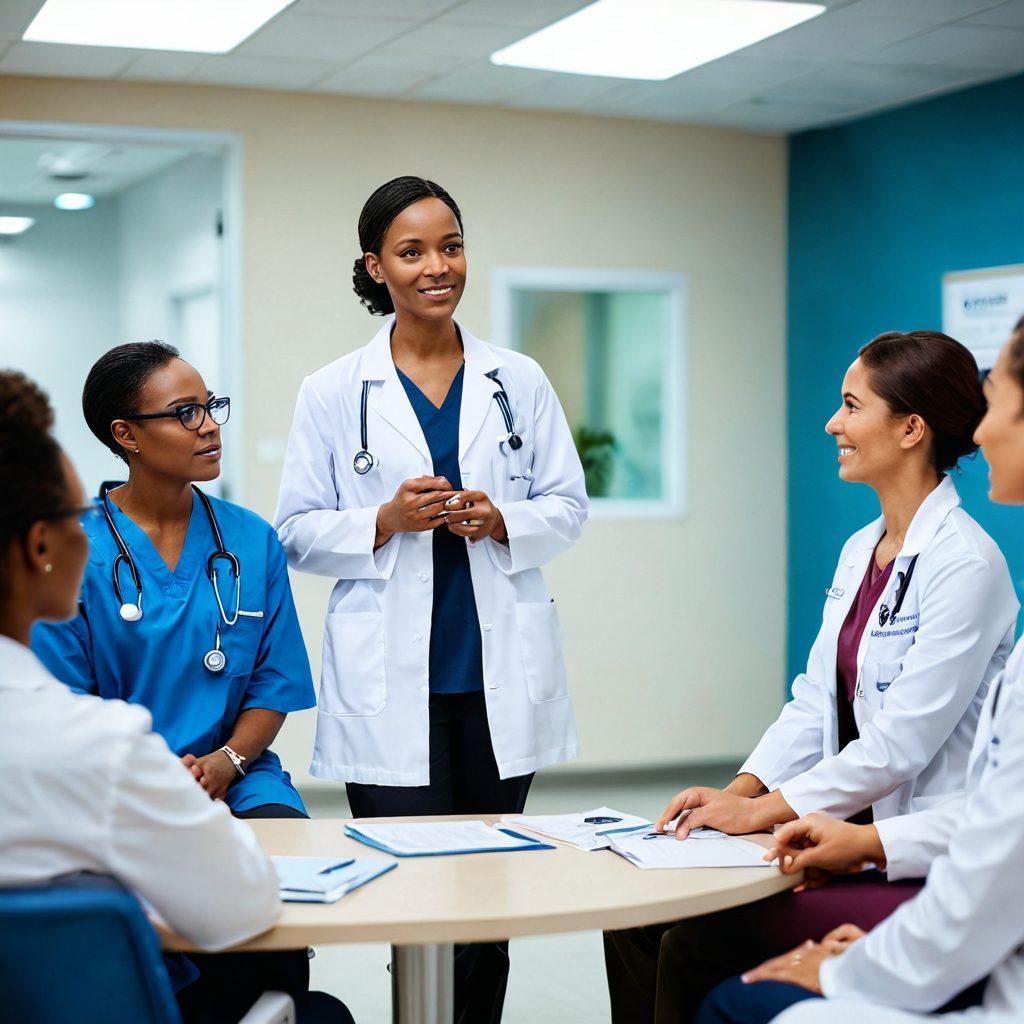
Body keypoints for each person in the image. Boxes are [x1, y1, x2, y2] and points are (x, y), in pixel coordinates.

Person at [605, 331, 1019, 1023]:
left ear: (911, 428)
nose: (833, 423)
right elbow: (812, 702)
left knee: (688, 945)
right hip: (845, 832)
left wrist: (765, 813)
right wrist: (738, 794)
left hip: (912, 856)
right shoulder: (864, 549)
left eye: (851, 406)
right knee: (633, 917)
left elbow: (900, 746)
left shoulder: (966, 566)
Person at [274, 175, 588, 1023]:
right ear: (375, 267)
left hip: (497, 686)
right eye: (411, 252)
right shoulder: (335, 390)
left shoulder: (514, 379)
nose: (436, 266)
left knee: (488, 911)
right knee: (415, 905)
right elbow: (296, 532)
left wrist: (501, 519)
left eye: (450, 245)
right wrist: (382, 519)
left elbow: (567, 507)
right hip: (391, 690)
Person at [0, 370, 352, 1024]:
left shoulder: (249, 540)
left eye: (211, 406)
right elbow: (75, 712)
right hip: (126, 772)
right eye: (186, 412)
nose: (211, 423)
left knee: (277, 905)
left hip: (236, 775)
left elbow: (273, 683)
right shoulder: (88, 559)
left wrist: (226, 763)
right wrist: (163, 777)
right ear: (125, 435)